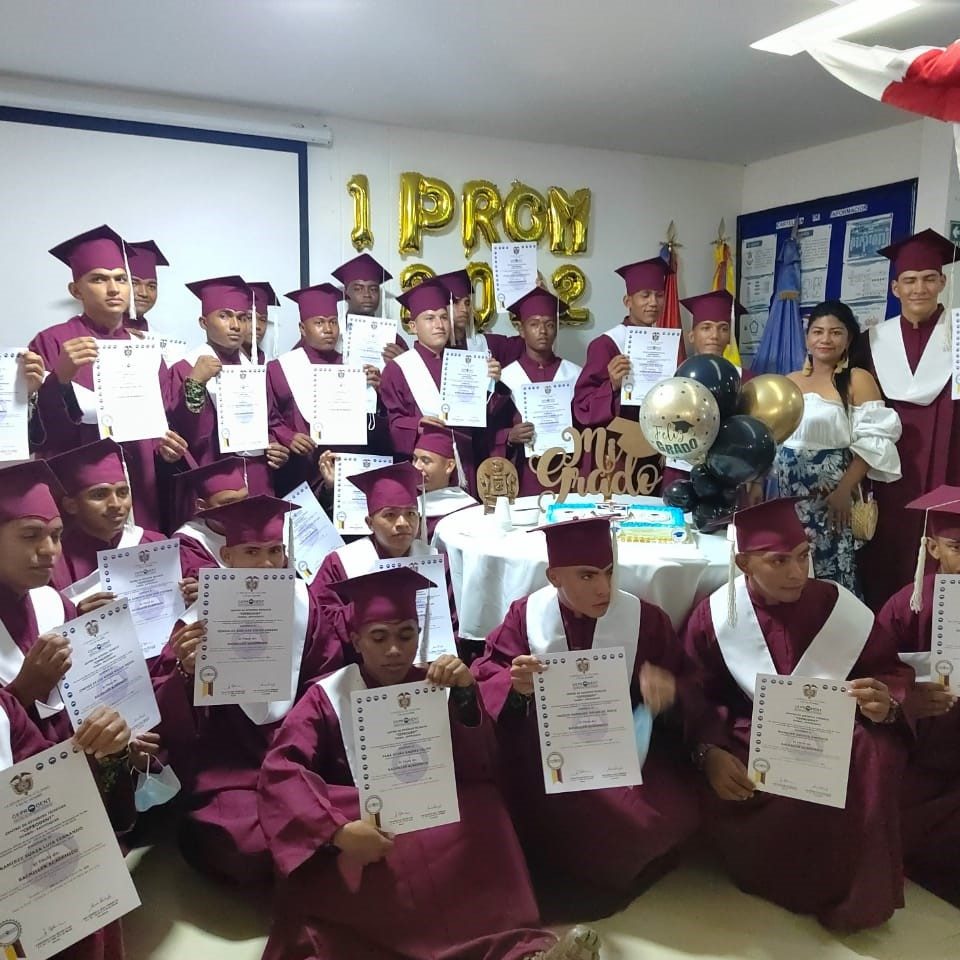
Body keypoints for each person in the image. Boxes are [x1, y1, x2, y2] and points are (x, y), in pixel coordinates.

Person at [257, 565, 599, 960]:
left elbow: (480, 764)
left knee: (484, 809)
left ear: (420, 634)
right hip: (366, 826)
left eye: (406, 635)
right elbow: (283, 769)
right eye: (378, 637)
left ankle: (518, 950)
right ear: (356, 640)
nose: (394, 650)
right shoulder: (325, 697)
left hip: (428, 809)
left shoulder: (436, 684)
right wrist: (337, 831)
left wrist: (466, 693)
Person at [681, 497, 912, 931]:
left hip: (831, 729)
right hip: (750, 734)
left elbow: (889, 671)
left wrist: (886, 701)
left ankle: (858, 895)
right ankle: (779, 876)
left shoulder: (837, 607)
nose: (797, 573)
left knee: (873, 749)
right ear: (743, 563)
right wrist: (707, 752)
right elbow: (694, 695)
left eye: (804, 556)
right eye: (779, 561)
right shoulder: (717, 616)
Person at [472, 516, 699, 892]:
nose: (604, 588)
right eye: (587, 576)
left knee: (660, 815)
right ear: (554, 577)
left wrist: (668, 691)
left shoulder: (644, 618)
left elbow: (689, 683)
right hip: (548, 747)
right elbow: (487, 676)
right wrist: (515, 686)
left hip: (622, 745)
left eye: (609, 572)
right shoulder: (526, 616)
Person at [152, 495, 350, 885]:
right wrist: (186, 673)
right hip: (231, 766)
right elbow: (168, 715)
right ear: (226, 556)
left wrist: (294, 746)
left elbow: (326, 679)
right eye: (252, 552)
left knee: (357, 808)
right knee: (245, 844)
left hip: (299, 753)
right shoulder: (196, 622)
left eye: (275, 551)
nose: (267, 564)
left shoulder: (306, 606)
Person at [29, 224, 188, 533]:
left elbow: (158, 417)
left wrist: (164, 446)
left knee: (138, 550)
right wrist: (60, 378)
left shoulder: (144, 347)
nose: (114, 289)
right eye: (99, 279)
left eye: (121, 278)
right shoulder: (52, 341)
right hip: (81, 483)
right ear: (76, 290)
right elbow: (40, 430)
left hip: (138, 479)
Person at [860, 228, 960, 609]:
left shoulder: (959, 334)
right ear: (895, 288)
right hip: (889, 476)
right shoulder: (871, 341)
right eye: (910, 280)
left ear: (943, 282)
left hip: (951, 470)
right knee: (886, 553)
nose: (920, 288)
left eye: (929, 279)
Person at [774, 300, 901, 595]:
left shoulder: (858, 379)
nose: (826, 339)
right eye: (818, 331)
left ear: (848, 339)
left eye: (835, 332)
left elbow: (873, 441)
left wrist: (844, 490)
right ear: (808, 338)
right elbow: (772, 437)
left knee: (831, 571)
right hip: (786, 495)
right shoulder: (789, 381)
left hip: (832, 496)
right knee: (791, 567)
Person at [0, 687, 134, 960]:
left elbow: (53, 789)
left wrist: (106, 750)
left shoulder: (4, 708)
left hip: (29, 888)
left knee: (83, 896)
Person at [877, 486, 960, 904]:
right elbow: (874, 668)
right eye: (957, 547)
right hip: (922, 741)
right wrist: (905, 699)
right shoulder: (908, 604)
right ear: (932, 548)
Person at [380, 278, 508, 495]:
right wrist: (417, 423)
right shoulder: (398, 368)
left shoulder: (465, 362)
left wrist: (492, 383)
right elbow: (392, 425)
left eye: (443, 317)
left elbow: (482, 419)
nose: (439, 325)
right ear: (413, 326)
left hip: (464, 462)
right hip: (424, 469)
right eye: (429, 318)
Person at [168, 275, 288, 498]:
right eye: (224, 316)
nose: (235, 325)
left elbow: (270, 421)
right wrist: (195, 383)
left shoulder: (255, 371)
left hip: (257, 476)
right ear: (203, 322)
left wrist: (274, 446)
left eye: (242, 318)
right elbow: (182, 433)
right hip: (212, 483)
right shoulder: (184, 369)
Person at [268, 282, 386, 495]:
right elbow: (270, 416)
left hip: (348, 464)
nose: (328, 330)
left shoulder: (353, 365)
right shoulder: (280, 368)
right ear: (302, 328)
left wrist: (376, 391)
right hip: (301, 468)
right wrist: (288, 436)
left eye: (333, 322)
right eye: (319, 323)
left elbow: (375, 421)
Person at [47, 438, 184, 610]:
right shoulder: (54, 563)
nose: (116, 504)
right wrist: (75, 617)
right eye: (99, 495)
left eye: (122, 492)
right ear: (71, 505)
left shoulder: (156, 544)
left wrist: (191, 596)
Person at [572, 258, 671, 493]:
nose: (653, 302)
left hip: (656, 450)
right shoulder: (606, 345)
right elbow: (582, 406)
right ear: (628, 301)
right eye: (645, 295)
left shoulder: (666, 346)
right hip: (617, 454)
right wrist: (612, 385)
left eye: (659, 295)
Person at [497, 288, 583, 495]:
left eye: (549, 324)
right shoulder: (505, 378)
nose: (543, 331)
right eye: (534, 324)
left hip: (568, 471)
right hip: (524, 474)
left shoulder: (575, 374)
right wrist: (509, 436)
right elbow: (490, 432)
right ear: (522, 330)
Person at [662, 290, 750, 489]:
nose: (714, 336)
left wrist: (756, 480)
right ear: (692, 335)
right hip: (680, 467)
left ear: (730, 337)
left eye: (723, 328)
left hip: (729, 472)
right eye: (706, 327)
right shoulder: (675, 378)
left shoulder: (746, 379)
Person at [312, 461, 436, 596]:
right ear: (369, 523)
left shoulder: (434, 560)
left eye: (411, 513)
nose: (403, 523)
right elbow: (322, 607)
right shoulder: (340, 564)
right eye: (390, 515)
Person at [173, 456, 250, 583]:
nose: (240, 510)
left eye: (245, 500)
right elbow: (209, 586)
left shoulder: (259, 526)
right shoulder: (189, 540)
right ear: (201, 506)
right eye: (228, 503)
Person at [435, 268, 525, 365]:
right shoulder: (432, 349)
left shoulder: (487, 344)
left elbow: (525, 344)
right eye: (456, 302)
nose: (464, 309)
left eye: (467, 303)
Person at [413, 423, 477, 541]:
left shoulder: (467, 511)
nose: (416, 467)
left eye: (425, 461)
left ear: (449, 466)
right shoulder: (408, 505)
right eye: (414, 459)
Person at [125, 238, 168, 332]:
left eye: (151, 286)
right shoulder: (93, 337)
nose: (144, 293)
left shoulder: (157, 337)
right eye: (134, 283)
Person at [244, 281, 277, 363]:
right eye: (250, 318)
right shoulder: (219, 362)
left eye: (263, 320)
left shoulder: (268, 362)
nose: (257, 326)